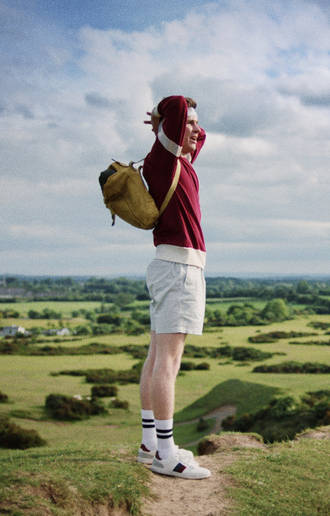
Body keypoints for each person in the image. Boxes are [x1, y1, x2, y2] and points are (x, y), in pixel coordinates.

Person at [136, 95, 210, 479]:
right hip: (179, 268)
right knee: (168, 361)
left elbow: (198, 138)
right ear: (172, 126)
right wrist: (163, 116)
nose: (196, 130)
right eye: (190, 123)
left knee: (156, 356)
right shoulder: (163, 160)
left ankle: (151, 443)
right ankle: (166, 454)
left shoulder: (176, 163)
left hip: (172, 266)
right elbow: (177, 105)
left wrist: (184, 127)